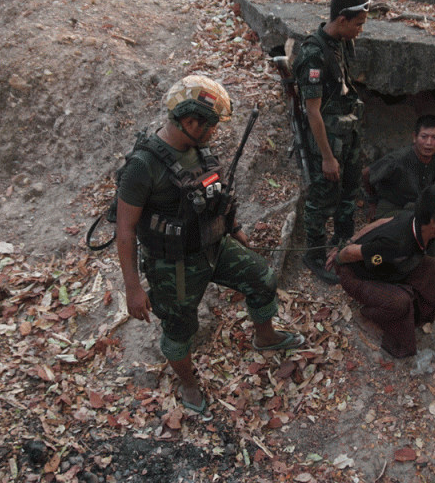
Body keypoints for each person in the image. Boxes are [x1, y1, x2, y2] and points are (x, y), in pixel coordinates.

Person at [115, 75, 305, 417]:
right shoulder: (143, 166)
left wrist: (234, 227)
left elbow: (215, 193)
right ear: (189, 122)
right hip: (173, 263)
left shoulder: (197, 148)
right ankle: (188, 382)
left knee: (261, 277)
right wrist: (132, 288)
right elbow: (126, 229)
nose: (215, 132)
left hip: (214, 245)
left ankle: (265, 336)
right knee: (180, 326)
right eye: (212, 125)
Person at [292, 0, 370, 284]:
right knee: (321, 199)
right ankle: (314, 253)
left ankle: (342, 246)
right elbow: (312, 112)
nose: (361, 30)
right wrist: (326, 158)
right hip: (326, 143)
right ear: (341, 19)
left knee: (348, 192)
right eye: (358, 24)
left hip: (346, 134)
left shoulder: (341, 43)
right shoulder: (314, 54)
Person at [327, 185, 435, 359]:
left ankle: (417, 316)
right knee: (400, 302)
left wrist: (352, 240)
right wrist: (338, 258)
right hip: (356, 276)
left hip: (388, 266)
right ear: (434, 221)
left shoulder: (416, 220)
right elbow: (351, 254)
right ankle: (367, 316)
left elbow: (383, 222)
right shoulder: (394, 245)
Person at [362, 114, 435, 256]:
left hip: (417, 204)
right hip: (393, 209)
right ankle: (427, 253)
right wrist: (372, 204)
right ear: (414, 137)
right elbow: (366, 174)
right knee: (424, 220)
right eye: (424, 137)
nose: (428, 143)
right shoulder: (398, 159)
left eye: (434, 138)